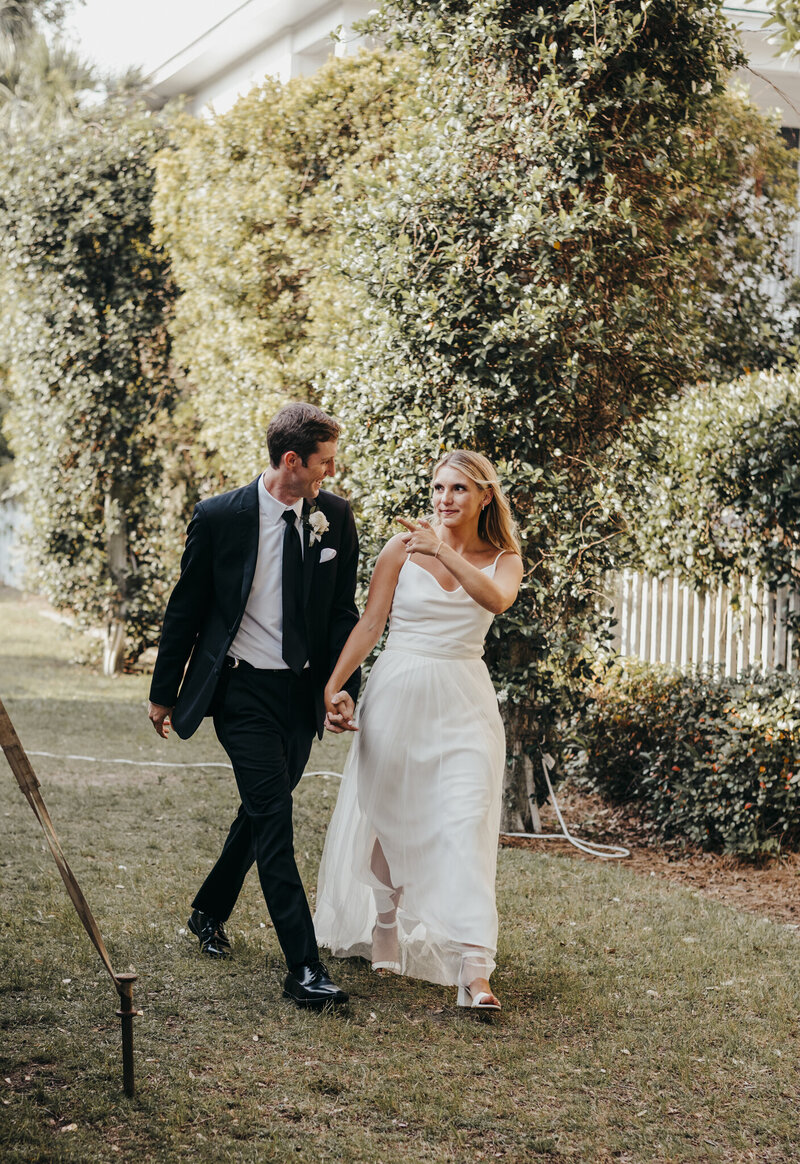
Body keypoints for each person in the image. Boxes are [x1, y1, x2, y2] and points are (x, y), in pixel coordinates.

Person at [147, 402, 360, 1010]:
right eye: (324, 463)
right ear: (292, 461)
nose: (331, 472)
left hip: (299, 695)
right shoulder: (221, 515)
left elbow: (342, 611)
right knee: (276, 822)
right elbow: (186, 607)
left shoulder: (334, 517)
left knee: (263, 810)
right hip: (239, 692)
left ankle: (209, 909)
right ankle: (304, 967)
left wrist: (344, 685)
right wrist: (164, 692)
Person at [314, 450, 523, 1014]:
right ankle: (386, 923)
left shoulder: (505, 558)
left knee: (467, 820)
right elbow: (370, 623)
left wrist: (445, 554)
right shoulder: (401, 548)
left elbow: (497, 600)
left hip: (464, 701)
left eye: (458, 489)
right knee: (389, 815)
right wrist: (333, 685)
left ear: (484, 496)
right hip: (399, 691)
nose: (444, 499)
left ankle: (475, 968)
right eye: (438, 487)